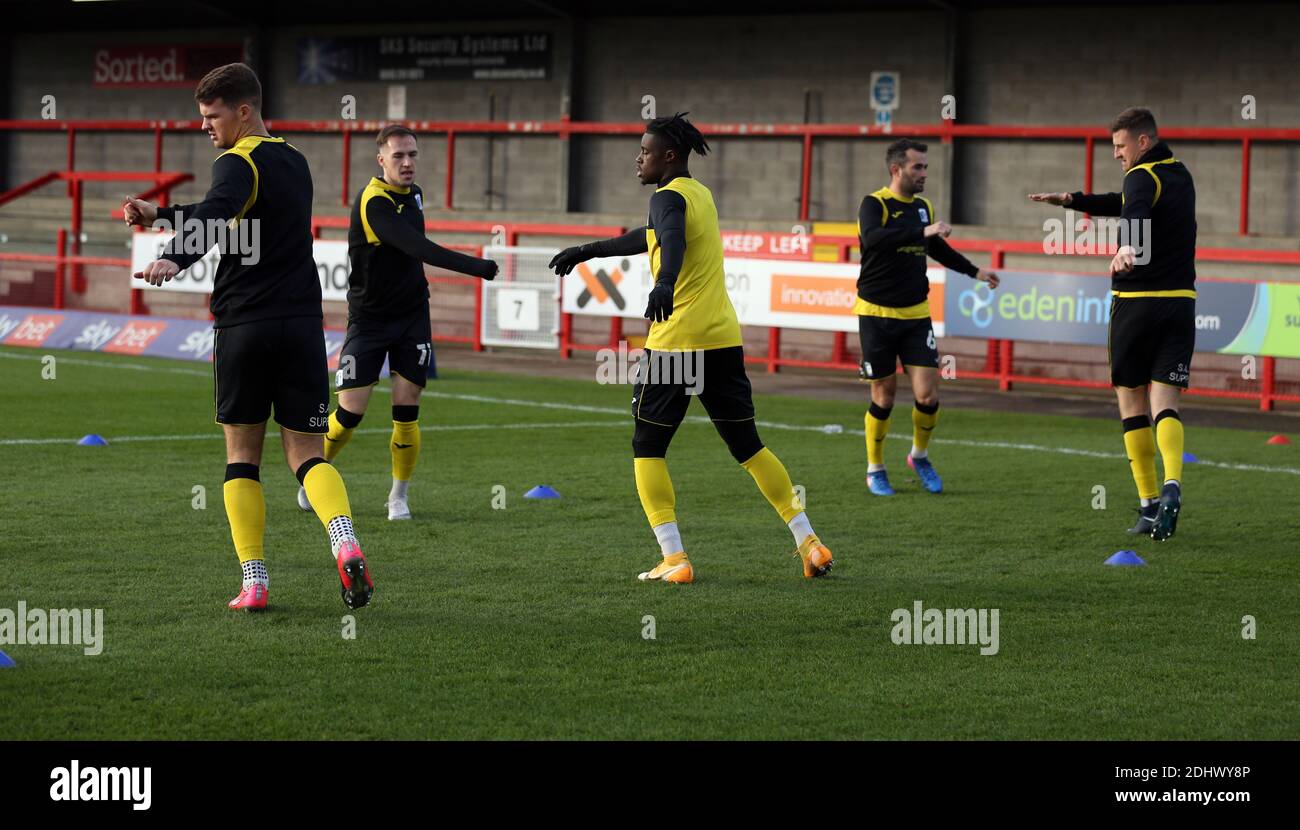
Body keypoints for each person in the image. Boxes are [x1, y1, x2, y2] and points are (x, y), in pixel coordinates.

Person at [125, 62, 373, 611]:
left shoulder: (236, 161)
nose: (206, 126)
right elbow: (240, 217)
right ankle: (345, 541)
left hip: (245, 325)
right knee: (308, 454)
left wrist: (174, 256)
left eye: (213, 116)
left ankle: (255, 582)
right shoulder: (294, 160)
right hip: (303, 325)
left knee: (242, 457)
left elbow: (218, 212)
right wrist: (161, 213)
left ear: (243, 111)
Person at [549, 113, 832, 584]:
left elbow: (671, 238)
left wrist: (664, 281)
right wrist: (589, 250)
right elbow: (655, 236)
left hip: (675, 345)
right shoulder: (699, 194)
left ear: (669, 156)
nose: (638, 158)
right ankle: (809, 542)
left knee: (648, 447)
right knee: (748, 446)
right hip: (722, 340)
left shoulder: (666, 197)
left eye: (645, 150)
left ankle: (674, 558)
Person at [299, 125, 498, 521]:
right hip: (369, 321)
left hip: (412, 317)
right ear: (381, 160)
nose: (407, 163)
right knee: (349, 414)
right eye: (398, 157)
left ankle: (398, 496)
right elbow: (417, 247)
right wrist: (475, 266)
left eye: (412, 155)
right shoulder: (374, 203)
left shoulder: (416, 194)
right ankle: (312, 476)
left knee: (407, 409)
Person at [1029, 107, 1195, 541]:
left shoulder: (1140, 176)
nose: (1117, 155)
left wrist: (1129, 249)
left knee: (1130, 401)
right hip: (1180, 303)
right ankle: (1174, 481)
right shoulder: (1179, 175)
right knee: (1167, 401)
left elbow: (1134, 210)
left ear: (1143, 142)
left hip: (1137, 303)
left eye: (1121, 146)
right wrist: (1072, 200)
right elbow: (1128, 203)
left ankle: (1148, 504)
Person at [856, 139, 999, 497]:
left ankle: (919, 455)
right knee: (884, 397)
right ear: (896, 169)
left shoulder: (923, 207)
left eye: (925, 167)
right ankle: (875, 468)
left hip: (916, 315)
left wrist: (975, 272)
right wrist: (924, 231)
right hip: (876, 315)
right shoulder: (875, 204)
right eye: (917, 167)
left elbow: (937, 249)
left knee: (928, 394)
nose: (923, 174)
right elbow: (874, 239)